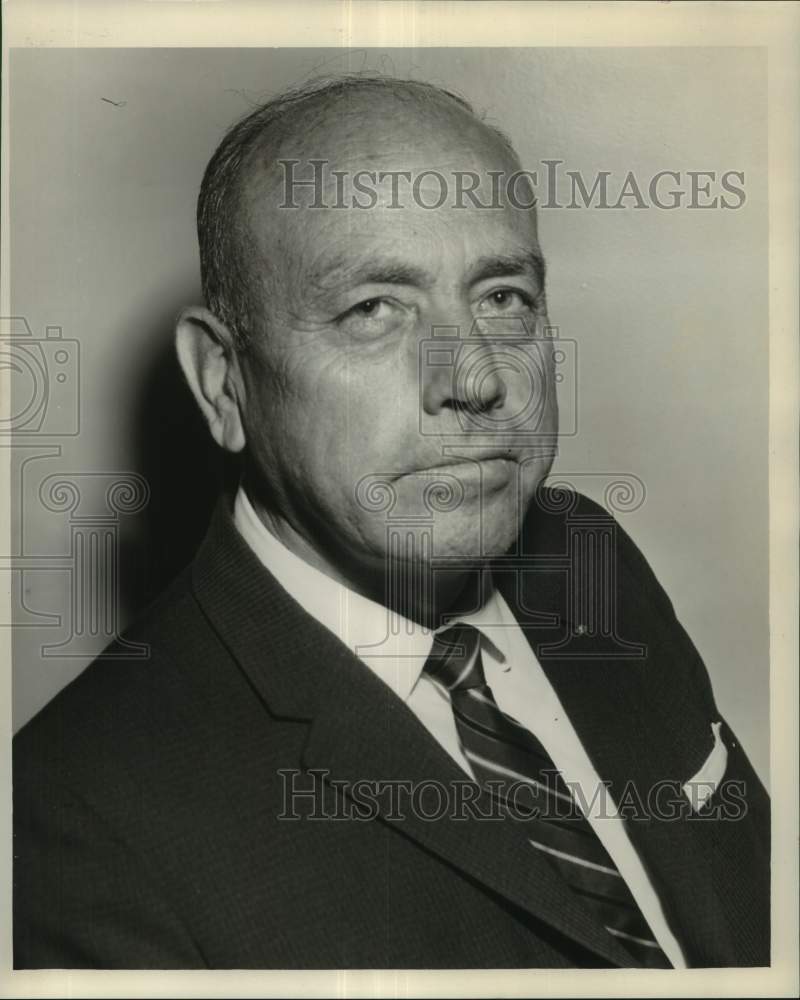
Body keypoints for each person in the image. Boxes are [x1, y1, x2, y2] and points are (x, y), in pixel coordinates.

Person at [13, 75, 769, 969]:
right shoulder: (72, 819)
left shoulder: (583, 558)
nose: (478, 379)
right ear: (224, 382)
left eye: (503, 298)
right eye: (374, 309)